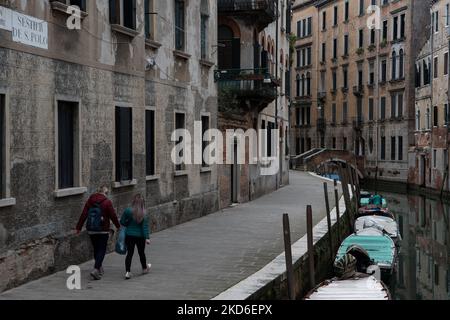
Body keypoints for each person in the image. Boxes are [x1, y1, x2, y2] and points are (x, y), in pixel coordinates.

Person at [75, 186, 120, 280]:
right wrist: (118, 226)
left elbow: (84, 214)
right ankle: (96, 268)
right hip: (103, 229)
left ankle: (99, 267)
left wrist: (78, 227)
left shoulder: (90, 201)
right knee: (102, 249)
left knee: (96, 248)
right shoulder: (107, 202)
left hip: (91, 229)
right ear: (105, 193)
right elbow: (113, 215)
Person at [120, 194, 151, 280]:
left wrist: (127, 223)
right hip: (140, 237)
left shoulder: (128, 211)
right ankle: (144, 268)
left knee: (130, 253)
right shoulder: (144, 213)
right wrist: (147, 238)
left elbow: (122, 222)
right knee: (141, 253)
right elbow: (145, 227)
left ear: (133, 201)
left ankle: (127, 272)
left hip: (129, 235)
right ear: (143, 203)